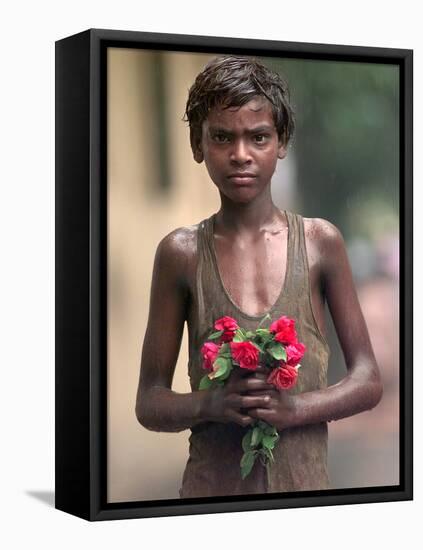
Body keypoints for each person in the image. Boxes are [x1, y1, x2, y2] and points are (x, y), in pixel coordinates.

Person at [135, 55, 383, 498]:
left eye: (259, 137)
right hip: (211, 497)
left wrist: (296, 407)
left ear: (281, 142)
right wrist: (210, 403)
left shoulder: (319, 243)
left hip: (304, 496)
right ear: (197, 145)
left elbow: (367, 379)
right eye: (222, 137)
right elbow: (150, 401)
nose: (241, 154)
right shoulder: (182, 254)